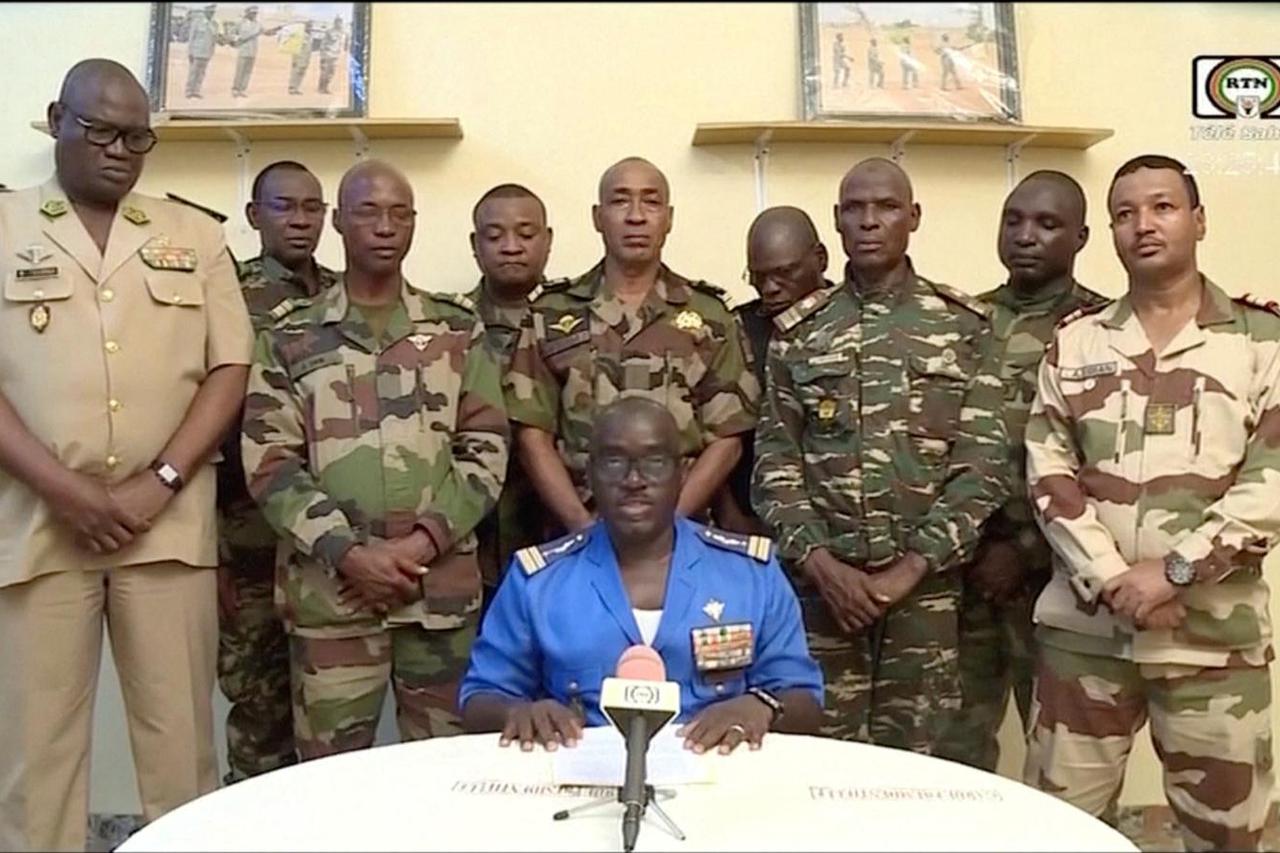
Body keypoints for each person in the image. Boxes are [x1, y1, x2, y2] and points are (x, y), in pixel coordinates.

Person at [0, 59, 252, 850]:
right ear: (56, 119)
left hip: (166, 531)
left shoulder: (195, 234)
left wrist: (162, 480)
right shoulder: (4, 227)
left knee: (182, 758)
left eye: (136, 136)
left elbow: (229, 367)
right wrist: (65, 489)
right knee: (35, 765)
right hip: (37, 527)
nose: (119, 150)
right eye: (100, 130)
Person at [1024, 154, 1278, 851]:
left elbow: (1272, 481)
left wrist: (1173, 571)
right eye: (1125, 213)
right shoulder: (1076, 342)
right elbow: (1049, 472)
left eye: (1163, 207)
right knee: (1055, 832)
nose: (1144, 224)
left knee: (1228, 837)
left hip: (1212, 643)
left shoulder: (1262, 342)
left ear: (1198, 220)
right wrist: (1112, 577)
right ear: (1109, 231)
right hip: (1086, 636)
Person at [241, 159, 508, 760]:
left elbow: (486, 446)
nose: (385, 227)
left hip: (435, 598)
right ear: (339, 222)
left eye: (400, 213)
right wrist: (351, 554)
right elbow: (270, 460)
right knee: (329, 782)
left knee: (448, 775)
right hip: (332, 600)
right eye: (368, 212)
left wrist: (419, 546)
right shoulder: (289, 336)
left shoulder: (455, 330)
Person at [753, 157, 1009, 754]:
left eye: (886, 207)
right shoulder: (800, 332)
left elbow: (983, 462)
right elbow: (774, 464)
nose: (870, 222)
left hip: (928, 596)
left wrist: (910, 569)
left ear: (913, 217)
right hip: (822, 597)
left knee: (923, 770)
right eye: (855, 209)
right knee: (815, 759)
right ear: (836, 223)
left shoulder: (965, 326)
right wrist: (823, 567)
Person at [461, 397, 824, 753]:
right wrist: (519, 712)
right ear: (590, 474)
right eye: (615, 461)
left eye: (654, 461)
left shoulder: (750, 574)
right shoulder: (538, 581)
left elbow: (804, 698)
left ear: (681, 473)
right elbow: (479, 698)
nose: (634, 480)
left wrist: (761, 707)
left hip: (718, 781)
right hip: (579, 780)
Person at [933, 171, 1106, 772]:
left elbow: (1108, 466)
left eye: (1047, 224)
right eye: (1013, 220)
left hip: (1061, 580)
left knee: (1066, 755)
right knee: (954, 747)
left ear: (1080, 237)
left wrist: (1026, 550)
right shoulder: (962, 322)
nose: (1025, 236)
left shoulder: (1104, 332)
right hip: (966, 573)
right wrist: (975, 548)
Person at [505, 157, 758, 537]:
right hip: (575, 536)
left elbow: (727, 438)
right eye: (620, 201)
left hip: (682, 536)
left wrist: (668, 526)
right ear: (597, 216)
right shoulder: (551, 313)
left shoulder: (710, 316)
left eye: (651, 202)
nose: (636, 216)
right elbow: (531, 435)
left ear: (668, 218)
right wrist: (581, 527)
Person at [216, 160, 339, 784]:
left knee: (328, 706)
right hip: (250, 540)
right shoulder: (225, 293)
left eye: (312, 208)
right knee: (260, 701)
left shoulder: (349, 294)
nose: (300, 220)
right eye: (284, 206)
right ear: (253, 216)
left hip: (333, 537)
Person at [467, 184, 558, 612]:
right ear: (475, 244)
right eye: (494, 235)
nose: (511, 247)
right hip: (474, 540)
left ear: (548, 240)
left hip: (561, 527)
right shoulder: (445, 326)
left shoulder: (579, 320)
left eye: (526, 234)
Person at [716, 206, 831, 536]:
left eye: (784, 273)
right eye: (758, 277)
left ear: (820, 259)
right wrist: (730, 516)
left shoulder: (854, 320)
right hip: (753, 521)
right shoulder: (736, 330)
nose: (770, 288)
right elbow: (712, 432)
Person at [230, 6, 282, 98]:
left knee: (248, 72)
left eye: (255, 13)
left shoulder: (258, 24)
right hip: (243, 50)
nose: (254, 15)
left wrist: (275, 30)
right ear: (247, 13)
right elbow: (232, 33)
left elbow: (266, 32)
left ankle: (242, 89)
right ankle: (235, 89)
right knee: (240, 71)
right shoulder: (240, 23)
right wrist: (237, 39)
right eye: (253, 13)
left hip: (253, 51)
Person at [184, 4, 218, 99]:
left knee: (202, 73)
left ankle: (196, 91)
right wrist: (190, 51)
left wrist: (212, 52)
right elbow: (192, 38)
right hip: (196, 52)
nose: (212, 14)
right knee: (193, 72)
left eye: (213, 12)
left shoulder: (214, 24)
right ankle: (189, 91)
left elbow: (213, 40)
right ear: (205, 12)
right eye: (210, 12)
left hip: (207, 53)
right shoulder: (197, 23)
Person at [317, 16, 346, 95]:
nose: (340, 24)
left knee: (331, 72)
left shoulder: (341, 32)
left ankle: (325, 87)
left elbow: (340, 44)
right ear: (335, 23)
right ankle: (321, 88)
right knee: (324, 72)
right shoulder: (329, 32)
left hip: (335, 55)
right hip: (327, 54)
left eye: (341, 22)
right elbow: (323, 43)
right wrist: (322, 54)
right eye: (338, 22)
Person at [287, 22, 315, 96]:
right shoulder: (299, 35)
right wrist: (295, 59)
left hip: (306, 58)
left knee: (301, 73)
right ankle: (292, 88)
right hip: (299, 57)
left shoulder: (310, 36)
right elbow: (295, 48)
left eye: (310, 27)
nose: (309, 28)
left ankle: (296, 88)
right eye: (308, 27)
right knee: (295, 72)